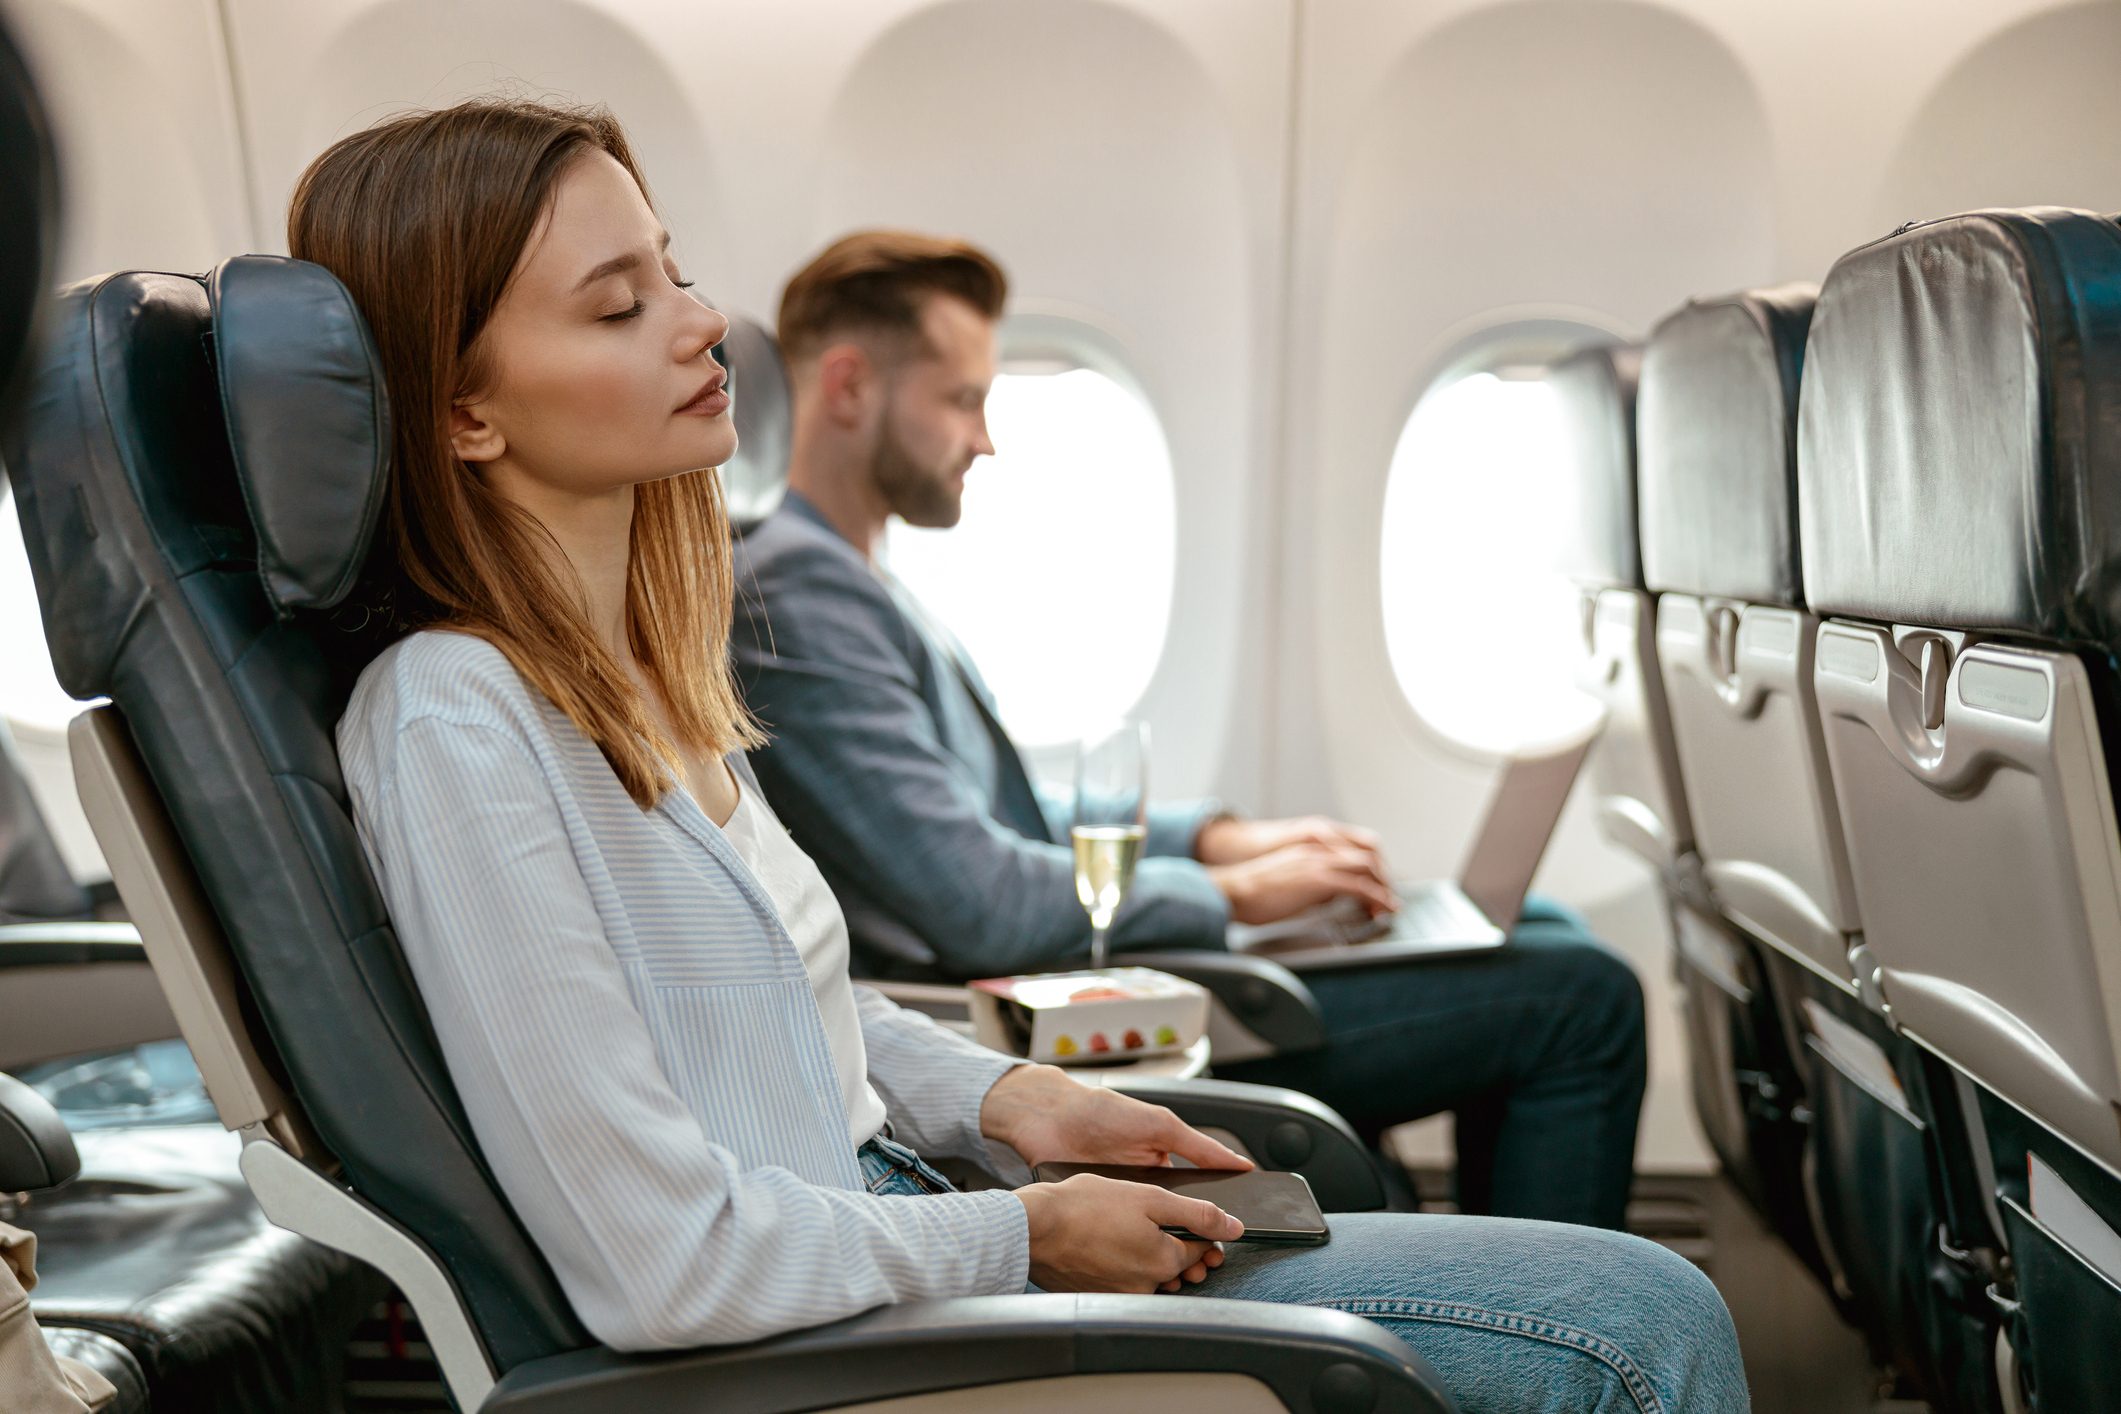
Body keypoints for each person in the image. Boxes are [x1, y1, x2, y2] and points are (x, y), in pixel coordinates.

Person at [311, 98, 1748, 1412]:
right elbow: (663, 1265)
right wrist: (1029, 1222)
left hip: (903, 1230)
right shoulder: (457, 723)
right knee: (1641, 1327)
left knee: (1611, 1267)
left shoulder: (633, 676)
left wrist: (1007, 1101)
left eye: (675, 272)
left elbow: (769, 1010)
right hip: (846, 1342)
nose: (702, 326)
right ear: (462, 410)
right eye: (619, 305)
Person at [731, 231, 1647, 1229]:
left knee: (1543, 928)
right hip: (1022, 1015)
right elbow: (979, 899)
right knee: (1583, 999)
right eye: (962, 400)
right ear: (851, 386)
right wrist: (1233, 893)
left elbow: (1015, 817)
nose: (986, 438)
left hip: (1065, 974)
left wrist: (1215, 834)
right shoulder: (799, 588)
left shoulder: (858, 580)